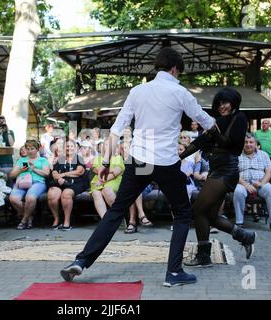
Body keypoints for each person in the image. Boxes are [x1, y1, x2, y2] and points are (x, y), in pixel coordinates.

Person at [60, 47, 216, 287]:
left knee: (115, 212)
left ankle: (81, 261)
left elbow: (116, 130)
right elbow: (207, 122)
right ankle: (174, 273)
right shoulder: (180, 92)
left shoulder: (137, 91)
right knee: (183, 213)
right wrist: (218, 125)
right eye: (179, 73)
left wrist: (105, 163)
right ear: (175, 68)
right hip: (165, 163)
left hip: (139, 161)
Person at [179, 87, 256, 268]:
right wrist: (179, 157)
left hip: (227, 170)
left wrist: (212, 130)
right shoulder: (219, 121)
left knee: (198, 209)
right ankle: (246, 237)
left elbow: (228, 143)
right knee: (210, 215)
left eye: (226, 102)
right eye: (219, 103)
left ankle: (204, 257)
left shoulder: (239, 118)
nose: (222, 106)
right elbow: (199, 142)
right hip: (217, 169)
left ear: (233, 103)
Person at [233, 133, 271, 234]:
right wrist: (246, 185)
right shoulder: (237, 155)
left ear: (256, 144)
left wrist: (262, 183)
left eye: (251, 142)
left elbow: (269, 171)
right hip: (243, 183)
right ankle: (239, 222)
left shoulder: (263, 155)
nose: (248, 144)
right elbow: (234, 172)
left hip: (261, 183)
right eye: (246, 142)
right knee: (238, 191)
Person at [48, 139, 88, 230]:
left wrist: (63, 175)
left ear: (76, 148)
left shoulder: (79, 158)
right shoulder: (60, 159)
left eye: (71, 146)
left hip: (76, 183)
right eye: (67, 146)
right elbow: (54, 173)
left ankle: (66, 222)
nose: (69, 148)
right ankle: (57, 219)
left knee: (66, 194)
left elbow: (79, 172)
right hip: (60, 182)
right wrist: (59, 178)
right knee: (52, 194)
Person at [10, 140, 50, 230]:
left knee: (30, 198)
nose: (30, 151)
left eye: (32, 148)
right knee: (13, 199)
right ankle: (29, 216)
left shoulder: (43, 160)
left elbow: (46, 174)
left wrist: (33, 169)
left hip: (37, 182)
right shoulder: (21, 160)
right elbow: (12, 175)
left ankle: (24, 220)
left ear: (37, 149)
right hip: (22, 182)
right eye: (28, 149)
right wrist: (20, 170)